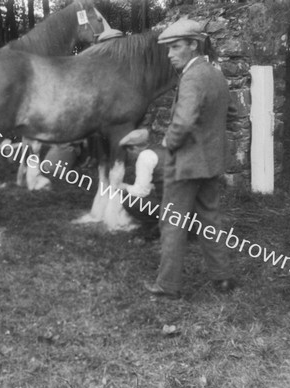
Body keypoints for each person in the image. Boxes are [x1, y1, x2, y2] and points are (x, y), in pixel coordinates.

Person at [143, 19, 236, 299]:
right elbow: (231, 112)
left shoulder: (192, 77)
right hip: (210, 162)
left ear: (193, 45)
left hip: (185, 163)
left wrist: (168, 142)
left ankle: (168, 285)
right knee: (209, 218)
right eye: (168, 49)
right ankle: (223, 278)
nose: (170, 55)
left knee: (171, 222)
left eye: (174, 47)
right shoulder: (215, 74)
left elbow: (182, 123)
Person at [117, 128, 165, 239]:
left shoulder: (145, 156)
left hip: (175, 211)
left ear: (134, 148)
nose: (129, 155)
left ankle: (160, 225)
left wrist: (124, 187)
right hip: (190, 207)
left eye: (128, 151)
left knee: (129, 201)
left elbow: (141, 192)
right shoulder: (161, 149)